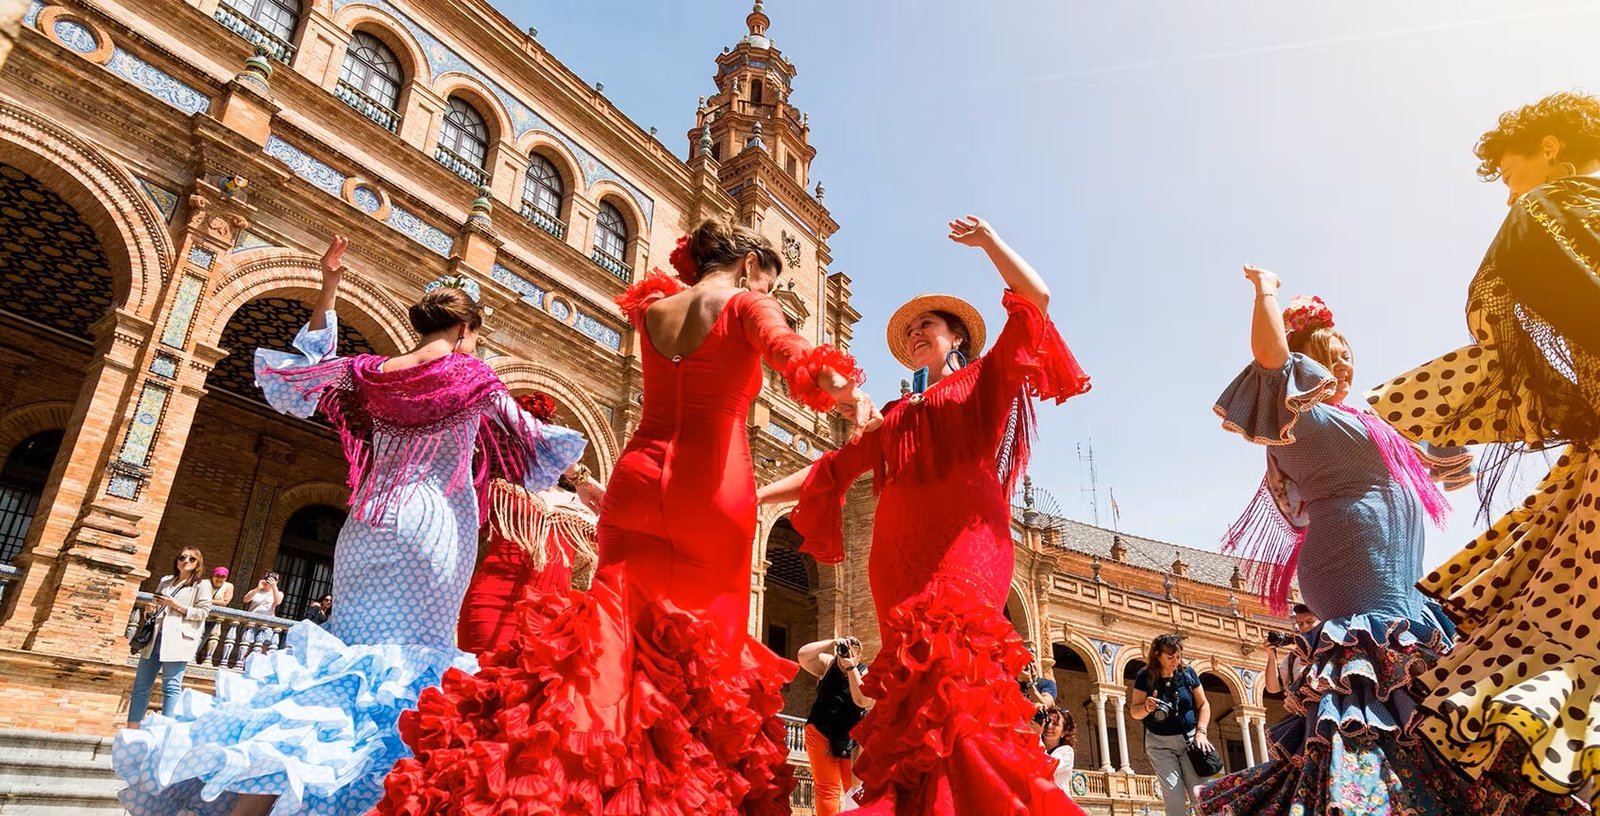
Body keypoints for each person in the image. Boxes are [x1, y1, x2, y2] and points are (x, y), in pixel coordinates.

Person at [375, 217, 879, 814]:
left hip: (634, 481)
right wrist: (850, 394)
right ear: (747, 268)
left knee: (608, 647)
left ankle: (552, 784)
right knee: (699, 668)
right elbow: (805, 363)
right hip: (711, 491)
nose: (766, 294)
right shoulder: (746, 302)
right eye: (766, 284)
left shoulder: (655, 308)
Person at [112, 234, 586, 816]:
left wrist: (329, 285)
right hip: (432, 529)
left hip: (364, 527)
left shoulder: (370, 372)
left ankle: (257, 797)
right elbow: (534, 444)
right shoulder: (474, 378)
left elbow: (302, 373)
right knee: (408, 672)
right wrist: (586, 485)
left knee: (338, 666)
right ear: (465, 332)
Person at [1199, 273, 1565, 816]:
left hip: (1402, 583)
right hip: (1353, 571)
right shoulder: (1300, 418)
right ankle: (1372, 801)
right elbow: (1270, 360)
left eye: (1349, 354)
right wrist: (1266, 291)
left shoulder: (1375, 423)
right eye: (1332, 352)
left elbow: (1446, 440)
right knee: (1371, 694)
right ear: (1308, 360)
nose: (1345, 363)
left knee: (1412, 695)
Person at [762, 215, 1092, 815]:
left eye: (928, 325)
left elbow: (1036, 302)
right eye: (910, 328)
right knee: (916, 701)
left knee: (960, 678)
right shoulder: (892, 414)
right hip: (896, 561)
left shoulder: (984, 379)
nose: (916, 332)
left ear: (956, 338)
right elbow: (829, 471)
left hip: (968, 543)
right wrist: (753, 497)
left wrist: (989, 241)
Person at [1367, 91, 1600, 811]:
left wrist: (1386, 414)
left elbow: (1514, 350)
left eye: (1509, 170)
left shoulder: (1548, 211)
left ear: (1551, 149)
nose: (1508, 191)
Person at [455, 392, 606, 655]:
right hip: (490, 604)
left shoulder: (584, 504)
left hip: (553, 619)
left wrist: (584, 479)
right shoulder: (496, 489)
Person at [127, 547, 213, 727]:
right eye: (182, 557)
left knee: (171, 687)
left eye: (191, 559)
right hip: (155, 638)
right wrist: (149, 611)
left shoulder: (201, 584)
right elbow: (155, 606)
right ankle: (132, 728)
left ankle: (165, 730)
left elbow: (203, 612)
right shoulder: (166, 581)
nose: (186, 561)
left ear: (198, 564)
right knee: (141, 687)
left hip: (178, 639)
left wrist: (175, 604)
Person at [1129, 634, 1212, 816]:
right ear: (1157, 655)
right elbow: (1134, 712)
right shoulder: (1145, 676)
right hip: (1160, 745)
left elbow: (1203, 704)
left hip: (1190, 742)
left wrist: (1201, 732)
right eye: (1170, 658)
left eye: (1178, 657)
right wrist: (1146, 707)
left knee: (1200, 796)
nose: (1175, 661)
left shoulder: (1188, 673)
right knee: (1174, 799)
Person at [798, 636, 873, 816]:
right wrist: (832, 642)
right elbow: (803, 655)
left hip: (850, 740)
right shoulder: (828, 664)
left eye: (851, 653)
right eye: (843, 650)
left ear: (859, 656)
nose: (845, 655)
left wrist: (851, 668)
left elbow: (862, 700)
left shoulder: (864, 672)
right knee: (826, 789)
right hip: (820, 731)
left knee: (854, 789)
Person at [1260, 603, 1317, 698]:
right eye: (1300, 624)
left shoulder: (1334, 647)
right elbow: (1273, 688)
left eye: (1310, 621)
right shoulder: (1294, 657)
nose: (1305, 626)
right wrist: (1271, 655)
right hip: (1306, 709)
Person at [195, 566, 235, 662]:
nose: (219, 579)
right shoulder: (204, 583)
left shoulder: (228, 586)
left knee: (203, 639)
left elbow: (225, 602)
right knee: (194, 637)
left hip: (213, 619)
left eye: (223, 577)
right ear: (212, 575)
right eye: (217, 576)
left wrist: (206, 600)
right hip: (198, 616)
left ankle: (194, 657)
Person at [1040, 706, 1077, 792]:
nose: (1049, 726)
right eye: (1048, 721)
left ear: (1063, 732)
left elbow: (1047, 767)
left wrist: (1037, 735)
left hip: (1057, 803)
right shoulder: (1035, 744)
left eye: (1055, 724)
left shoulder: (1067, 752)